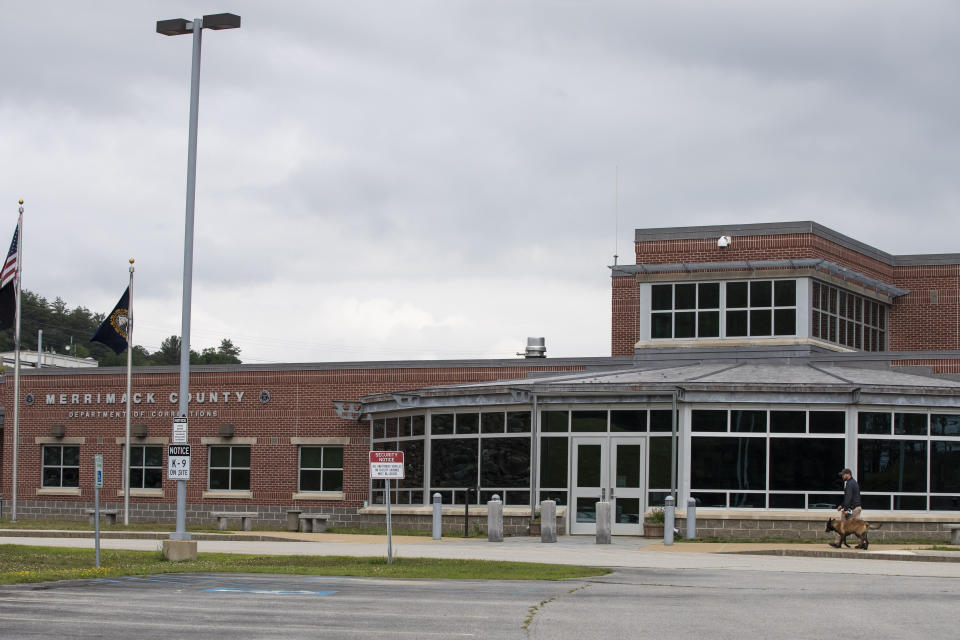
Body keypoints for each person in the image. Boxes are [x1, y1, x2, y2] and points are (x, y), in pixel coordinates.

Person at [830, 468, 861, 548]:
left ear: (848, 474)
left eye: (843, 475)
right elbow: (849, 498)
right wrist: (842, 505)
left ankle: (838, 543)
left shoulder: (850, 484)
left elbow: (849, 498)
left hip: (852, 509)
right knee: (858, 527)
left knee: (841, 525)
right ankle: (863, 543)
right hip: (857, 508)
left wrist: (846, 510)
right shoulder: (853, 482)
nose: (842, 477)